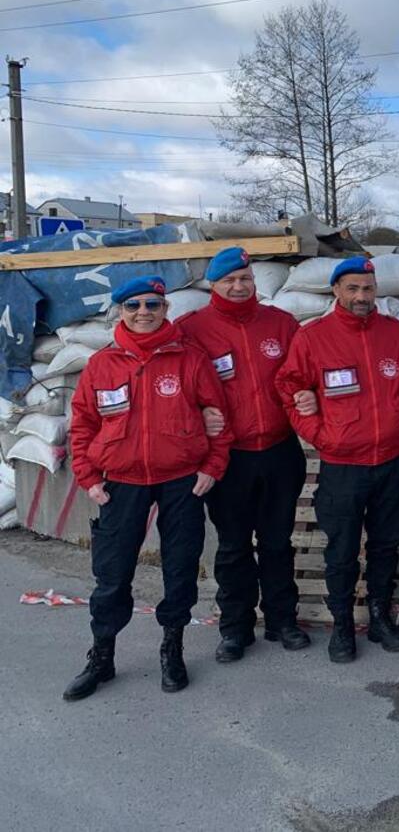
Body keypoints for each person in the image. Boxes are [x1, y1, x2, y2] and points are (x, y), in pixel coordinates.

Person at [64, 275, 232, 701]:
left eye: (152, 305)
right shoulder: (102, 364)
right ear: (121, 311)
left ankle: (171, 648)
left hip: (180, 483)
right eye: (133, 305)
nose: (143, 313)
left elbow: (219, 418)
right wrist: (88, 477)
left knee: (179, 570)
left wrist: (212, 466)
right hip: (121, 484)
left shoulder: (190, 360)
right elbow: (82, 424)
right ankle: (102, 656)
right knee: (111, 575)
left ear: (165, 310)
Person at [275, 256, 399, 663]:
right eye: (353, 288)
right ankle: (342, 624)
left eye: (368, 288)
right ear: (336, 291)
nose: (361, 296)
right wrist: (320, 434)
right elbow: (289, 389)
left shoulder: (395, 333)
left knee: (386, 545)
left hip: (391, 460)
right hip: (342, 466)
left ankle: (379, 615)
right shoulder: (313, 337)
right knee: (340, 549)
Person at [177, 247, 309, 663]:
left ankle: (282, 620)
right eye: (228, 280)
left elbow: (302, 375)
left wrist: (306, 396)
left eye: (245, 279)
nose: (239, 287)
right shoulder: (191, 330)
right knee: (233, 546)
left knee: (277, 541)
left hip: (279, 451)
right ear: (213, 286)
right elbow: (176, 389)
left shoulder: (282, 324)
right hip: (228, 457)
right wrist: (199, 421)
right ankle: (235, 628)